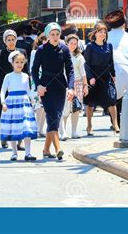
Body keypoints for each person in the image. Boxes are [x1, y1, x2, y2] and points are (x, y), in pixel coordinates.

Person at [31, 22, 74, 161]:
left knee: (55, 117)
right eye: (52, 34)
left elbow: (70, 70)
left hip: (60, 87)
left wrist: (71, 88)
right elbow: (34, 70)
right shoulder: (41, 50)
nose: (55, 37)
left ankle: (45, 149)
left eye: (57, 34)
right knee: (53, 117)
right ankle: (58, 149)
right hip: (46, 88)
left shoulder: (65, 49)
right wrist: (38, 86)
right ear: (47, 35)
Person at [0, 51, 38, 161]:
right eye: (17, 62)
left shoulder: (26, 76)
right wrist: (3, 102)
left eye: (22, 62)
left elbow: (28, 91)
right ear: (12, 63)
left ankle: (28, 153)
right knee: (13, 128)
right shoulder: (8, 76)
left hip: (24, 103)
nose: (19, 64)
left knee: (26, 127)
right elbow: (3, 91)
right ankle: (14, 153)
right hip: (11, 103)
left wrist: (35, 97)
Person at [0, 29, 28, 149]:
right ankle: (5, 137)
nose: (11, 42)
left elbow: (26, 70)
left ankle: (20, 140)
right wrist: (8, 81)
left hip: (20, 88)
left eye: (13, 39)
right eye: (9, 40)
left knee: (20, 115)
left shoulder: (22, 52)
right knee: (5, 115)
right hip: (5, 87)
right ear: (5, 41)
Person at [83, 21, 119, 135]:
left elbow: (111, 62)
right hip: (93, 75)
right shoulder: (90, 46)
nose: (103, 34)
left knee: (112, 99)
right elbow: (86, 64)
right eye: (100, 32)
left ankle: (115, 124)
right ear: (95, 33)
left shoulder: (109, 46)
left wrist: (113, 75)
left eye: (104, 32)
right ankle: (89, 125)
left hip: (105, 76)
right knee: (90, 102)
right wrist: (90, 77)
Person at [60, 34, 88, 140]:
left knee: (76, 108)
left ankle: (74, 131)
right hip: (66, 84)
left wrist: (85, 85)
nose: (73, 45)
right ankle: (63, 132)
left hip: (78, 84)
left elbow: (83, 72)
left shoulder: (79, 56)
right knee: (65, 109)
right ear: (66, 43)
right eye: (71, 43)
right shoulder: (62, 54)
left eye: (75, 44)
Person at [106, 10, 128, 126]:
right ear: (123, 23)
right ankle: (124, 122)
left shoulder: (105, 37)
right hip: (127, 72)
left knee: (112, 99)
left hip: (108, 73)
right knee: (125, 99)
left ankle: (115, 123)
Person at [30, 33, 48, 137]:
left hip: (47, 80)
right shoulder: (34, 52)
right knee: (38, 106)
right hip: (37, 81)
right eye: (44, 40)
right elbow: (32, 69)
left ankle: (41, 129)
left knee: (45, 107)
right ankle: (36, 128)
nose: (45, 41)